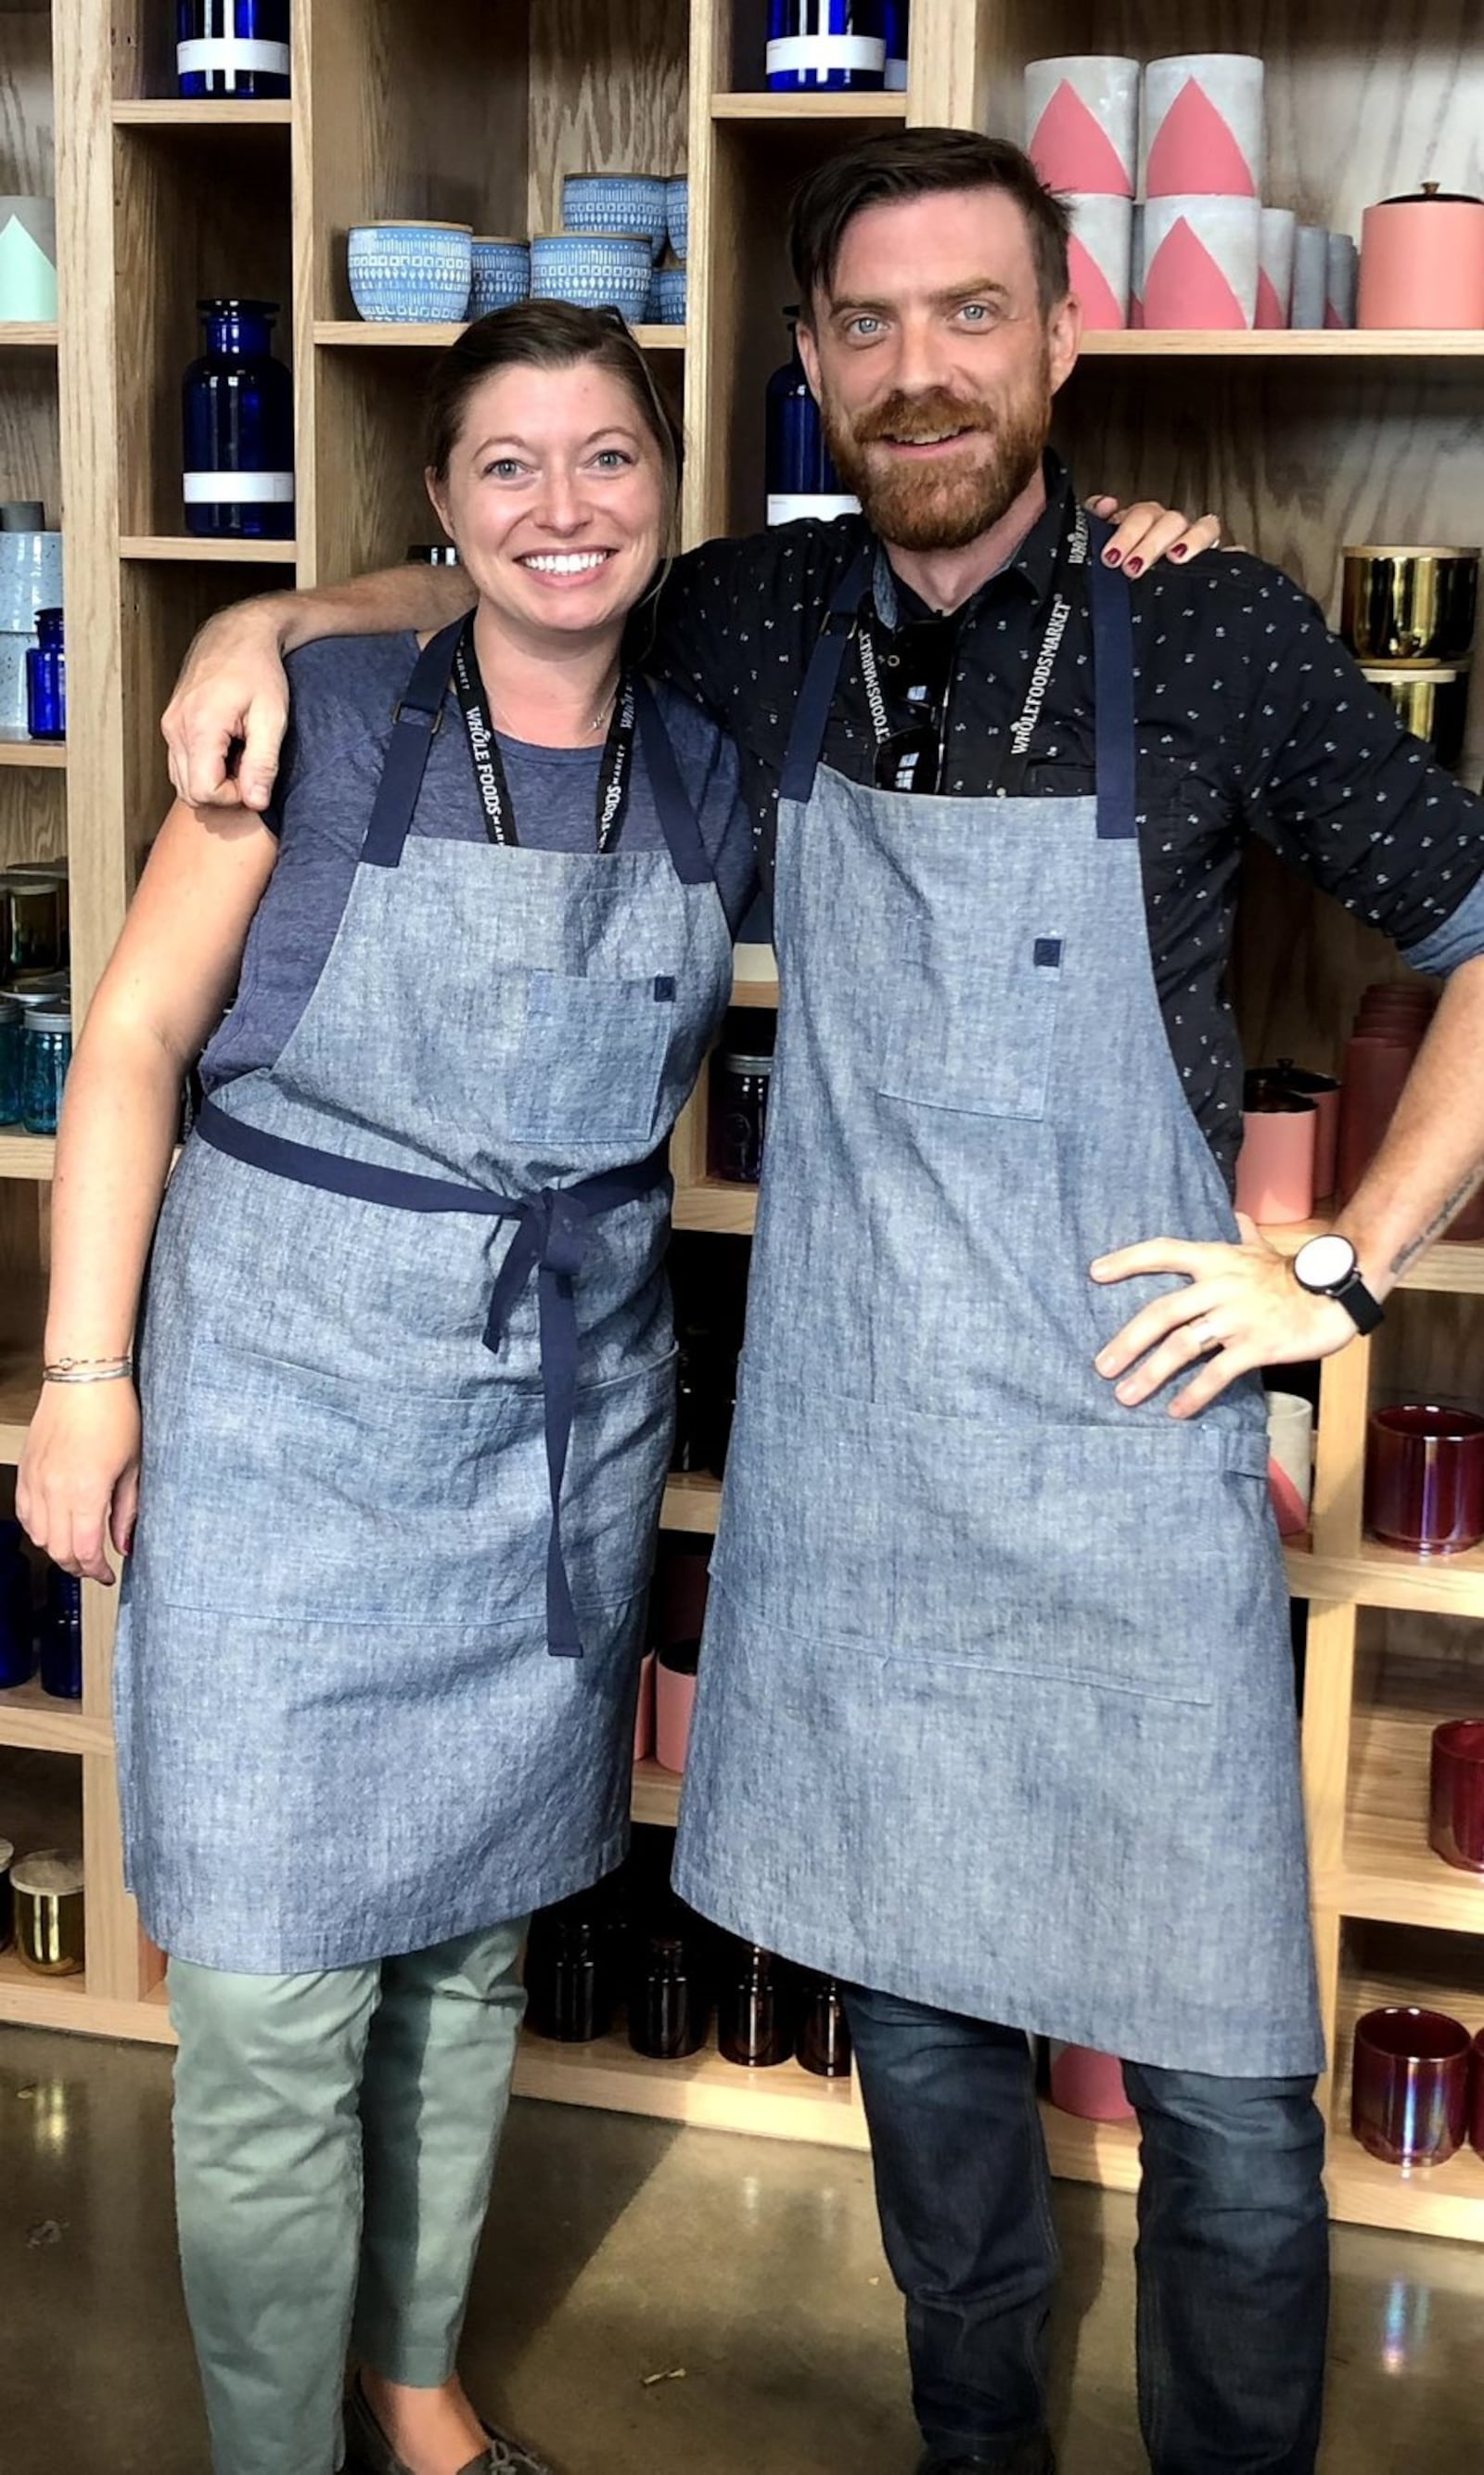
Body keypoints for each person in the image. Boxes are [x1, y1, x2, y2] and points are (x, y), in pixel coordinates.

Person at [152, 130, 1484, 2475]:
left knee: (1229, 2089)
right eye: (864, 326)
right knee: (935, 2051)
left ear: (1062, 342)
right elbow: (516, 578)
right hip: (862, 1451)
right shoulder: (751, 619)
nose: (919, 368)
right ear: (803, 368)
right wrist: (267, 619)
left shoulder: (1219, 628)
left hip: (1118, 1434)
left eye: (970, 313)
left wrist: (1335, 1264)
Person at [18, 302, 759, 2475]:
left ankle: (412, 2378)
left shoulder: (706, 757)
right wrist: (83, 1376)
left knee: (464, 1966)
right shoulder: (322, 716)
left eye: (605, 457)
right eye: (505, 464)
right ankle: (275, 2444)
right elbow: (136, 1042)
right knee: (266, 2000)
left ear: (665, 488)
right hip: (277, 1418)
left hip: (550, 1427)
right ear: (435, 506)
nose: (560, 505)